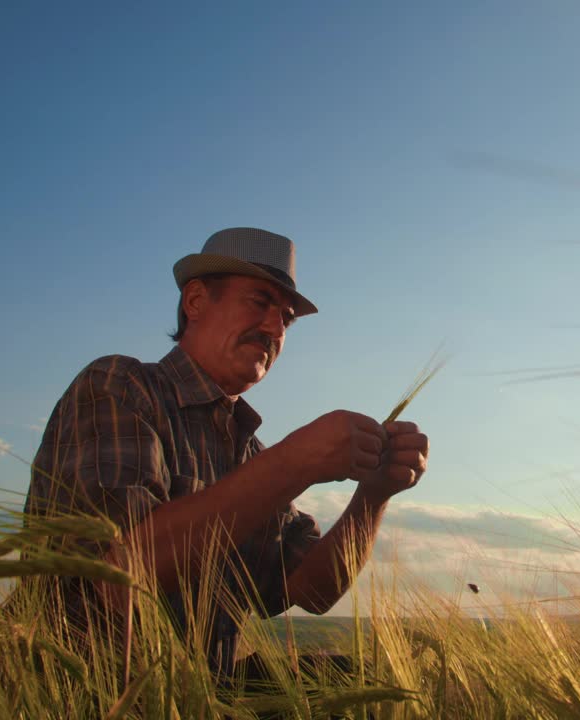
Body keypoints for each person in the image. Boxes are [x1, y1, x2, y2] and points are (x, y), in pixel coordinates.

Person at [23, 227, 429, 678]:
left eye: (287, 318)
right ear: (195, 301)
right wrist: (294, 461)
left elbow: (311, 592)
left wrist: (372, 496)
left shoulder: (252, 453)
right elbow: (121, 572)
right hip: (93, 690)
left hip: (205, 690)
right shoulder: (120, 386)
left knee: (355, 681)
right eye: (259, 302)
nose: (275, 327)